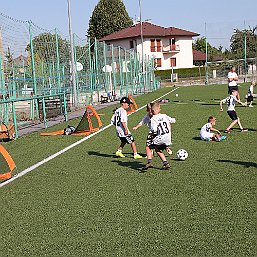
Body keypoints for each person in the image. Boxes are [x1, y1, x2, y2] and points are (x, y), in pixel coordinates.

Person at [143, 102, 176, 170]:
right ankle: (166, 163)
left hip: (160, 137)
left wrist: (152, 135)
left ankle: (149, 162)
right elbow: (173, 120)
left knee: (148, 146)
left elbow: (154, 130)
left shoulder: (153, 119)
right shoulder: (164, 115)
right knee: (157, 149)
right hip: (168, 137)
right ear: (158, 109)